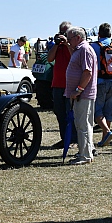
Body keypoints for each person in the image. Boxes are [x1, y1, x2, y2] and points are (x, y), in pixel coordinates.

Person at [65, 26, 97, 165]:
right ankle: (85, 152)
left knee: (83, 125)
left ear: (77, 38)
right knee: (81, 124)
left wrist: (79, 89)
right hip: (80, 95)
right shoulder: (80, 49)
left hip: (83, 94)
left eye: (69, 38)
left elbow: (87, 72)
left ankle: (85, 156)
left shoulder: (84, 49)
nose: (68, 41)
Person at [90, 23, 112, 149]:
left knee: (96, 110)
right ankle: (105, 137)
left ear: (99, 34)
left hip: (99, 82)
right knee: (109, 110)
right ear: (111, 34)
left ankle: (107, 131)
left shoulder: (93, 46)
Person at [47, 21, 77, 149]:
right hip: (57, 84)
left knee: (71, 113)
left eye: (65, 32)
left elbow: (75, 57)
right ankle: (64, 138)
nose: (63, 35)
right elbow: (49, 59)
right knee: (59, 112)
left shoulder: (74, 45)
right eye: (62, 32)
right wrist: (56, 44)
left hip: (70, 85)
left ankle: (74, 139)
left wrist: (67, 44)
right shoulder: (57, 45)